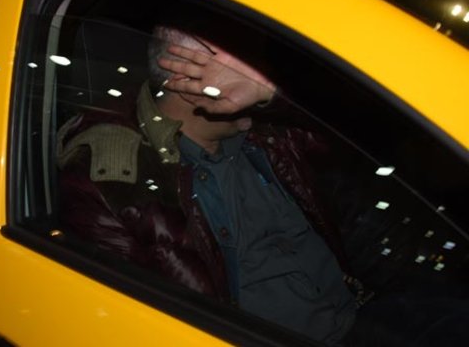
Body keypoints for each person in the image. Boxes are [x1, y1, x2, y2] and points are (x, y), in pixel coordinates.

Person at [57, 24, 357, 344]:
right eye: (243, 66)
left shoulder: (271, 133)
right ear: (188, 83)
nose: (259, 75)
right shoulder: (114, 181)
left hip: (358, 317)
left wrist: (271, 94)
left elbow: (359, 129)